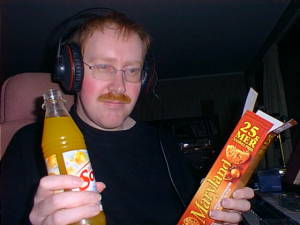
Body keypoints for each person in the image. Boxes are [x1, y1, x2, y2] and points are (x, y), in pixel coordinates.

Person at [0, 9, 254, 225]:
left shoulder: (163, 144)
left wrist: (216, 216)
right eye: (103, 67)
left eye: (132, 70)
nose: (119, 87)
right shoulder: (30, 143)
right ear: (72, 73)